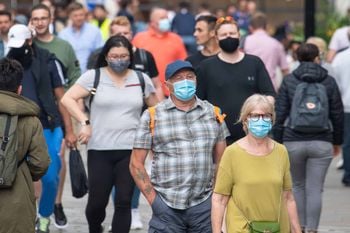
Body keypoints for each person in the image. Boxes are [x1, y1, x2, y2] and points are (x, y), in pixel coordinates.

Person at [61, 35, 158, 233]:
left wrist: (153, 137)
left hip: (130, 150)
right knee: (97, 203)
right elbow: (67, 98)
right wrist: (84, 122)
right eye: (114, 55)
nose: (119, 59)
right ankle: (95, 228)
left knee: (124, 201)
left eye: (124, 55)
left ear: (130, 56)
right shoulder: (93, 76)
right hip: (99, 149)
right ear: (106, 56)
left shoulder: (141, 79)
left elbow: (156, 109)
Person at [130, 60, 230, 233]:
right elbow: (136, 164)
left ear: (196, 80)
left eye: (189, 77)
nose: (185, 82)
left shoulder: (213, 113)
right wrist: (154, 201)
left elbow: (223, 159)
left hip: (204, 207)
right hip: (166, 208)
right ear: (167, 85)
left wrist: (215, 196)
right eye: (178, 78)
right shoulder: (152, 115)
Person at [6, 24, 75, 233]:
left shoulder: (49, 61)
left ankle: (45, 215)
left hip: (48, 125)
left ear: (30, 41)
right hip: (14, 123)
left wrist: (70, 129)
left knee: (51, 176)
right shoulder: (6, 64)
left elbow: (62, 98)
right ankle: (30, 216)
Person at [274, 43, 344, 233]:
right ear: (317, 57)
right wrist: (337, 142)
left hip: (292, 141)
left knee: (296, 186)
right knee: (315, 189)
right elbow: (337, 114)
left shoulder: (289, 80)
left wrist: (277, 141)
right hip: (322, 142)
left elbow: (279, 113)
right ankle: (312, 229)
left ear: (296, 58)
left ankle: (299, 227)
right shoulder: (328, 81)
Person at [212, 94, 301, 233]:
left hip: (276, 227)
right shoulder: (232, 153)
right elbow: (219, 199)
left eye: (266, 116)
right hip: (241, 228)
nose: (261, 120)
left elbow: (288, 197)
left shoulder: (281, 151)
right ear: (245, 119)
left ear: (272, 119)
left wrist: (297, 229)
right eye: (255, 116)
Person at [30, 3, 81, 229]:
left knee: (56, 166)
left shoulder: (63, 47)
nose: (40, 22)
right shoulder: (23, 44)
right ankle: (38, 212)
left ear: (50, 19)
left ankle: (56, 204)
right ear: (31, 22)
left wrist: (71, 116)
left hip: (56, 114)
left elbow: (73, 78)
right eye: (35, 18)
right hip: (31, 120)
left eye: (43, 18)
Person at [196, 16, 275, 145]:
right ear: (216, 38)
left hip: (252, 136)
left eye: (232, 33)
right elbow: (198, 101)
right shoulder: (206, 67)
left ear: (239, 35)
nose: (228, 37)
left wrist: (260, 117)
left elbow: (269, 95)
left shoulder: (254, 63)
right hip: (218, 139)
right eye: (224, 34)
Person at [0, 58, 50, 233]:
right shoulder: (31, 120)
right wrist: (19, 171)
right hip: (18, 197)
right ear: (19, 89)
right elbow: (41, 162)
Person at [87, 15, 163, 101]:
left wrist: (159, 109)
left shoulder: (145, 56)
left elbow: (157, 86)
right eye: (118, 34)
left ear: (131, 34)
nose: (122, 36)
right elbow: (89, 85)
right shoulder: (98, 55)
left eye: (125, 33)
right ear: (110, 35)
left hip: (142, 109)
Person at [133, 7, 187, 97]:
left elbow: (183, 64)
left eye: (166, 18)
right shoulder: (139, 38)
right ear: (152, 22)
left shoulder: (176, 39)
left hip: (171, 92)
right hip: (145, 92)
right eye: (162, 18)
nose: (166, 21)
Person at [244, 12, 289, 90]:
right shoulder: (276, 44)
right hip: (270, 87)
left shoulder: (244, 42)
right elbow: (285, 70)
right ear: (266, 26)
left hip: (248, 88)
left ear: (250, 27)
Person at [59, 2, 103, 73]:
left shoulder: (95, 31)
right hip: (70, 76)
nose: (79, 18)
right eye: (75, 15)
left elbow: (100, 53)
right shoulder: (63, 34)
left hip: (91, 75)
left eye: (81, 15)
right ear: (69, 16)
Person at [332, 33, 350, 187]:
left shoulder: (340, 58)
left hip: (346, 103)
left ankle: (348, 173)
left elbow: (335, 83)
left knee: (347, 141)